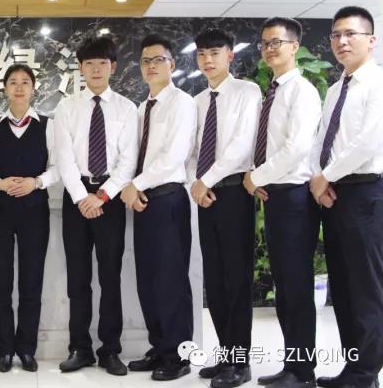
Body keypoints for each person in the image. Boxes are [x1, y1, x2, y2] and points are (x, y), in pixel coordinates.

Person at [242, 17, 321, 388]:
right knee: (286, 287)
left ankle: (302, 371)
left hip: (294, 198)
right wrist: (261, 178)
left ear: (294, 47)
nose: (270, 48)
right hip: (276, 194)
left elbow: (296, 149)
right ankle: (293, 364)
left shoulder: (301, 91)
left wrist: (256, 177)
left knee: (296, 286)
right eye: (265, 43)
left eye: (277, 42)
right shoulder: (271, 92)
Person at [54, 36, 138, 377]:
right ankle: (80, 348)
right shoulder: (66, 107)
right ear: (80, 68)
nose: (96, 69)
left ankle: (110, 350)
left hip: (110, 198)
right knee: (78, 278)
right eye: (89, 63)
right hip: (76, 198)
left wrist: (101, 196)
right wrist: (81, 197)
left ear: (112, 67)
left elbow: (128, 160)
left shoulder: (127, 108)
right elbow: (64, 157)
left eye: (102, 63)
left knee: (110, 277)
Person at [310, 6, 383, 388]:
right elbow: (321, 139)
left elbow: (368, 142)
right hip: (335, 193)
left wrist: (325, 177)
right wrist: (318, 179)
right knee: (343, 286)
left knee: (366, 287)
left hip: (366, 192)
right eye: (336, 34)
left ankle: (367, 373)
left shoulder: (377, 82)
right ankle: (353, 368)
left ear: (371, 40)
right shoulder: (337, 87)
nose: (342, 41)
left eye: (350, 34)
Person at [120, 34, 196, 381]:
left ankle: (178, 355)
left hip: (167, 198)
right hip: (144, 200)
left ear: (172, 64)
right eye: (146, 61)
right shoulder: (142, 108)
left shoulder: (182, 103)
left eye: (158, 60)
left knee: (170, 280)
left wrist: (135, 185)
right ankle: (160, 346)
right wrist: (134, 187)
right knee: (148, 280)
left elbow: (173, 156)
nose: (151, 66)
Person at [189, 28, 260, 388]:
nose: (208, 60)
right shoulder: (198, 100)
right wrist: (196, 184)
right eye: (202, 54)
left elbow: (241, 146)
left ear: (230, 55)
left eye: (215, 53)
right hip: (206, 197)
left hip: (234, 193)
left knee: (236, 279)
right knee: (215, 280)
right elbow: (192, 150)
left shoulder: (248, 92)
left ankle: (241, 362)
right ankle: (226, 354)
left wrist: (206, 180)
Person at [0, 63, 59, 373]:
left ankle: (26, 349)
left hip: (35, 209)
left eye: (25, 81)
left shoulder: (47, 125)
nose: (20, 87)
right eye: (13, 82)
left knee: (31, 281)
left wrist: (36, 182)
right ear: (5, 89)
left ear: (33, 88)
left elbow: (58, 166)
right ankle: (4, 350)